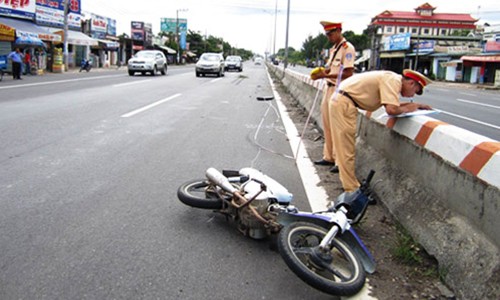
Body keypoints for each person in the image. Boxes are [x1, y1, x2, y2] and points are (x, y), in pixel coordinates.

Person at [330, 69, 432, 192]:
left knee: (343, 146)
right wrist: (412, 107)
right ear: (411, 83)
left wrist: (416, 105)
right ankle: (352, 189)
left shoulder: (391, 78)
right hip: (344, 104)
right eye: (415, 91)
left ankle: (346, 177)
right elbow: (392, 110)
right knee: (346, 149)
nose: (412, 95)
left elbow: (391, 104)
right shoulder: (393, 80)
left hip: (341, 101)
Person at [311, 21, 355, 173]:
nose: (328, 37)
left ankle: (338, 160)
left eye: (330, 34)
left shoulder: (347, 48)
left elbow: (348, 72)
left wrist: (327, 74)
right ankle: (328, 156)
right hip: (328, 88)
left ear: (339, 31)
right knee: (327, 125)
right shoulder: (333, 50)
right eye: (327, 34)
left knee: (338, 127)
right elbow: (330, 68)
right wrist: (322, 73)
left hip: (340, 90)